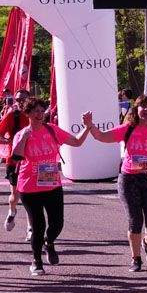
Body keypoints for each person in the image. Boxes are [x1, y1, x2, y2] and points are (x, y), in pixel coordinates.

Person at [89, 95, 147, 271]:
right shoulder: (128, 128)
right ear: (136, 110)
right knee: (135, 221)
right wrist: (90, 125)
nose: (146, 110)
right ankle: (136, 259)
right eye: (142, 106)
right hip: (129, 179)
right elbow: (102, 137)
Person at [12, 100, 89, 276]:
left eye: (42, 111)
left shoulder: (52, 130)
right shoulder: (22, 133)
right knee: (38, 225)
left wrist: (88, 127)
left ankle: (50, 241)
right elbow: (16, 157)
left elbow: (76, 142)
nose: (40, 114)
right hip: (29, 186)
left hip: (52, 184)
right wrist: (24, 138)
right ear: (28, 114)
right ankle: (37, 261)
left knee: (57, 223)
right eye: (35, 111)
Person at [0, 93, 32, 236]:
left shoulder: (35, 114)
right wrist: (12, 141)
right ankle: (12, 211)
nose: (21, 102)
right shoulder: (13, 115)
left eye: (24, 99)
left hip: (33, 160)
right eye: (18, 99)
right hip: (15, 161)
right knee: (15, 195)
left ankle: (31, 228)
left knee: (30, 196)